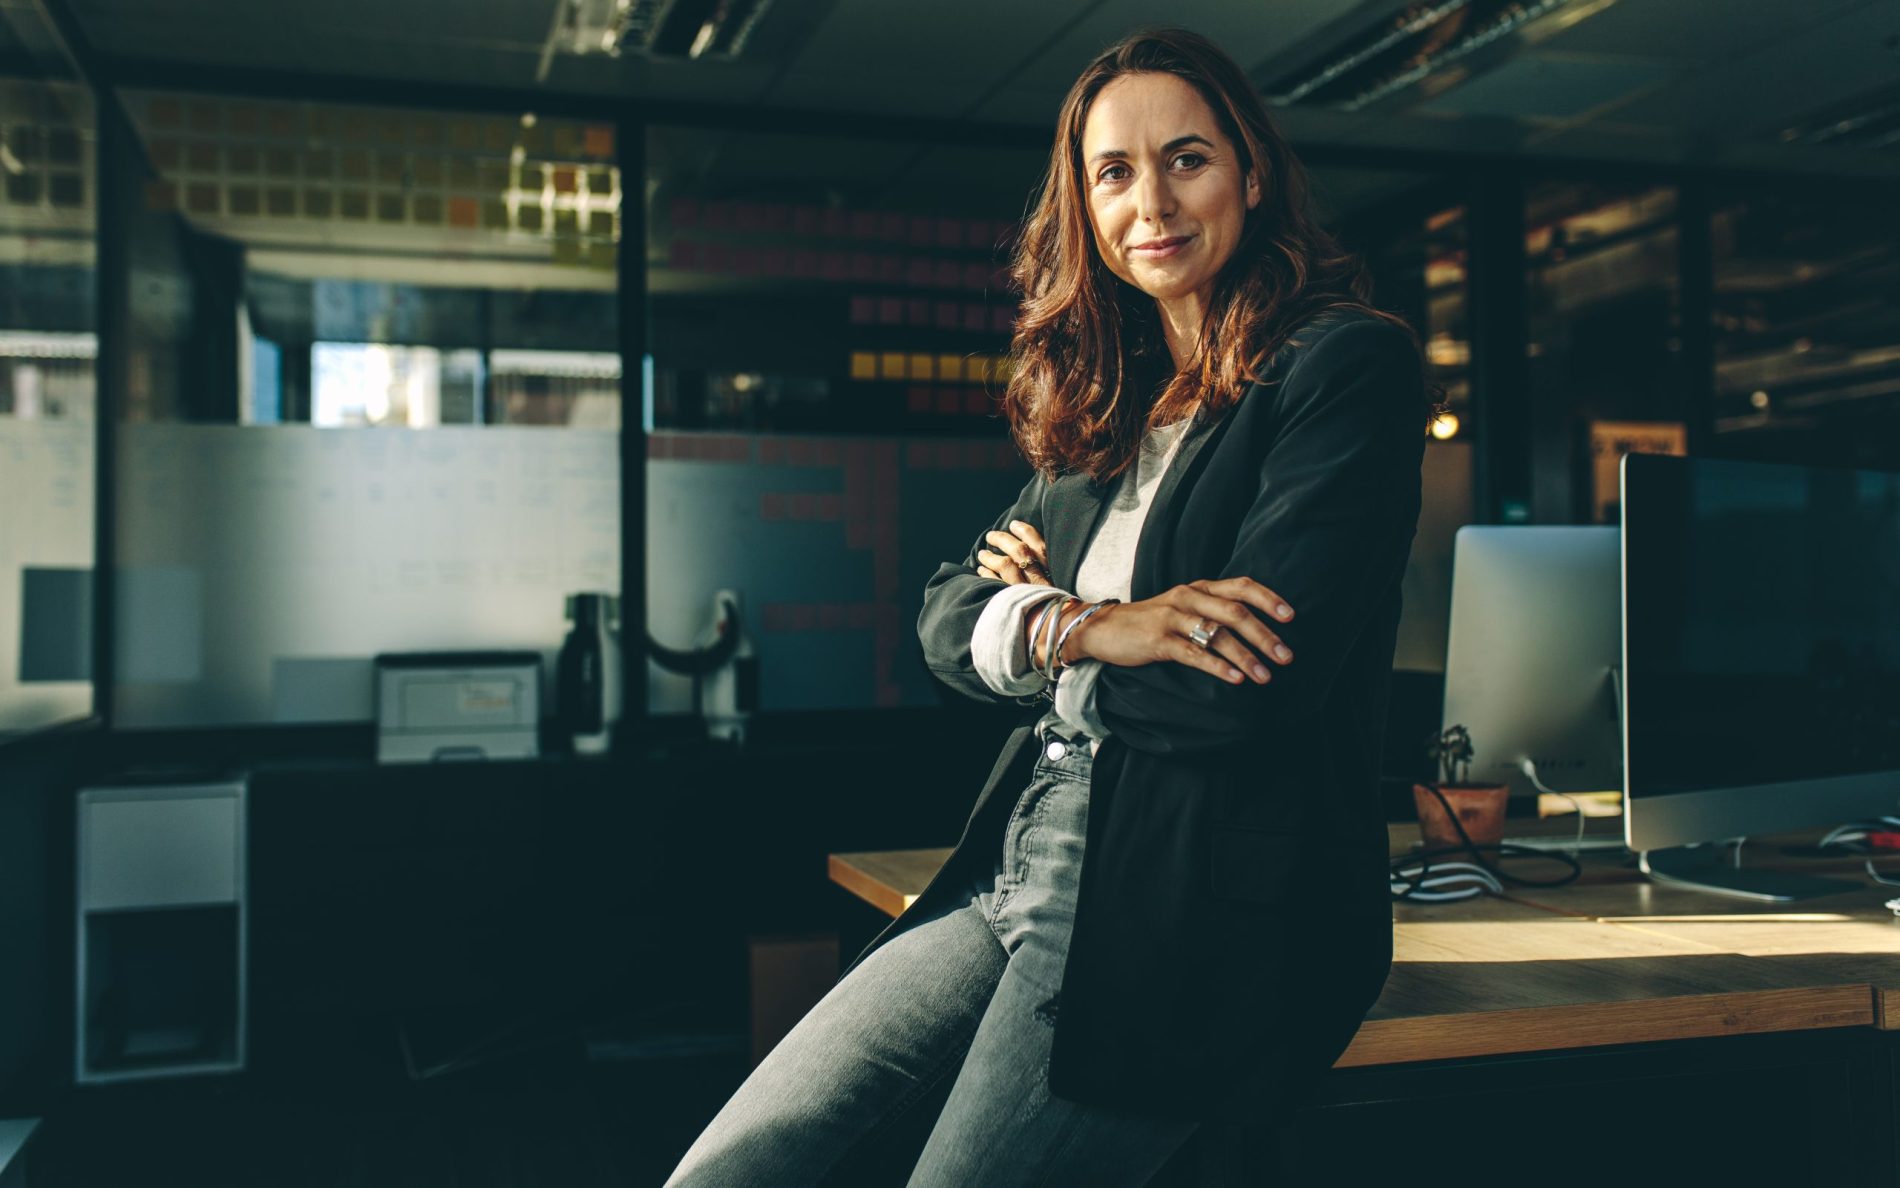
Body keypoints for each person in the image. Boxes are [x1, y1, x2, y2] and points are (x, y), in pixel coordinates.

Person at [665, 26, 1429, 1186]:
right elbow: (940, 621)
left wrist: (1035, 629)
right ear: (1084, 203)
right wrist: (1078, 624)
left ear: (1252, 174)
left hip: (1182, 902)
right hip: (1012, 860)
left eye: (1187, 159)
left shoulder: (1339, 371)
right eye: (1113, 173)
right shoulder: (1106, 406)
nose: (1151, 204)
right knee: (728, 1170)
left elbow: (1241, 693)